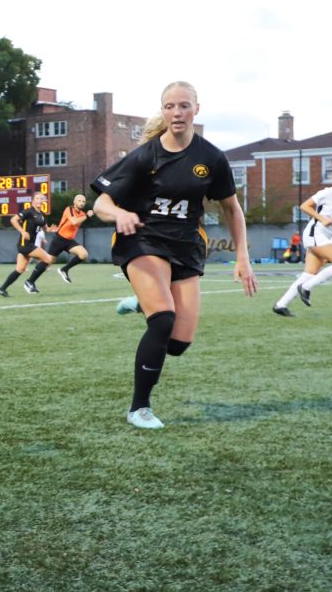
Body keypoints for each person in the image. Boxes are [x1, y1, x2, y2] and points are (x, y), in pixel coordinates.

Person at [91, 81, 257, 430]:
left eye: (184, 105)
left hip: (185, 246)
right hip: (142, 240)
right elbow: (101, 203)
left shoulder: (211, 158)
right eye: (170, 106)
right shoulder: (145, 156)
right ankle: (139, 408)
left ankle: (143, 302)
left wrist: (243, 256)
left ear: (197, 109)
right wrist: (119, 214)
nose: (177, 112)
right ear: (162, 111)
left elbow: (232, 208)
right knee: (163, 320)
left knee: (179, 343)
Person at [273, 166, 332, 316]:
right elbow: (304, 206)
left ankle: (281, 305)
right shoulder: (328, 192)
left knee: (309, 274)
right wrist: (322, 218)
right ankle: (306, 288)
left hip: (325, 237)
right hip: (314, 233)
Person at [21, 193, 95, 290]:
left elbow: (83, 218)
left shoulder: (82, 214)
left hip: (69, 241)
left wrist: (92, 213)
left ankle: (64, 269)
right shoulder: (69, 209)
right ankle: (29, 281)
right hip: (59, 239)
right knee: (47, 262)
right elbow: (74, 221)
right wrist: (88, 216)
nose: (81, 203)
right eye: (79, 200)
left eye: (83, 201)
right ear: (74, 202)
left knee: (84, 254)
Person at [0, 191, 57, 296]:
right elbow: (13, 220)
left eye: (41, 199)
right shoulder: (29, 211)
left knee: (20, 269)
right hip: (25, 244)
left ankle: (2, 289)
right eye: (37, 198)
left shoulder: (41, 215)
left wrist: (50, 229)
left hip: (28, 245)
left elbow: (45, 228)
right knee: (48, 259)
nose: (40, 200)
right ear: (33, 201)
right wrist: (23, 232)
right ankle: (30, 282)